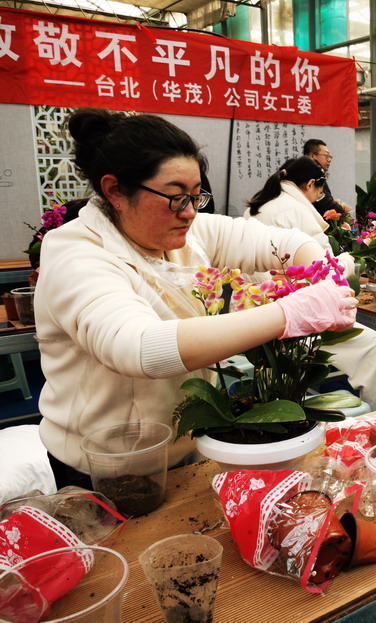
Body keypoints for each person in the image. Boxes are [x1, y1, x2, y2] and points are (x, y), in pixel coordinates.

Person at [36, 109, 357, 489]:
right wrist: (287, 314)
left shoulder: (185, 231)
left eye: (195, 196)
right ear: (115, 191)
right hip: (105, 466)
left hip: (189, 447)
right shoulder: (75, 254)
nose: (189, 213)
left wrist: (321, 273)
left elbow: (284, 242)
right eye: (175, 197)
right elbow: (140, 347)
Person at [244, 158, 376, 413]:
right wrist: (349, 260)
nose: (320, 197)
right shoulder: (297, 211)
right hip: (293, 318)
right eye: (320, 190)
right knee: (372, 342)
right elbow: (326, 270)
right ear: (310, 184)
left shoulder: (259, 206)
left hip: (252, 315)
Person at [303, 139, 350, 217]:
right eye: (326, 156)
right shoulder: (310, 175)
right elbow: (328, 206)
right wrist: (342, 207)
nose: (329, 160)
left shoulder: (312, 173)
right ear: (312, 156)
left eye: (330, 157)